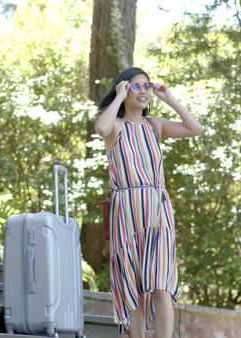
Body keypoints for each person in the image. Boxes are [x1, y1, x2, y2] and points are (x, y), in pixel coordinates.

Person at [94, 67, 203, 337]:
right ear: (123, 88)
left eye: (146, 86)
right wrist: (118, 98)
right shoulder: (116, 128)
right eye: (135, 86)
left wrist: (169, 98)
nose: (143, 91)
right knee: (134, 285)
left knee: (161, 283)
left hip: (157, 210)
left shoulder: (155, 125)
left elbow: (196, 128)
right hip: (127, 212)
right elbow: (100, 127)